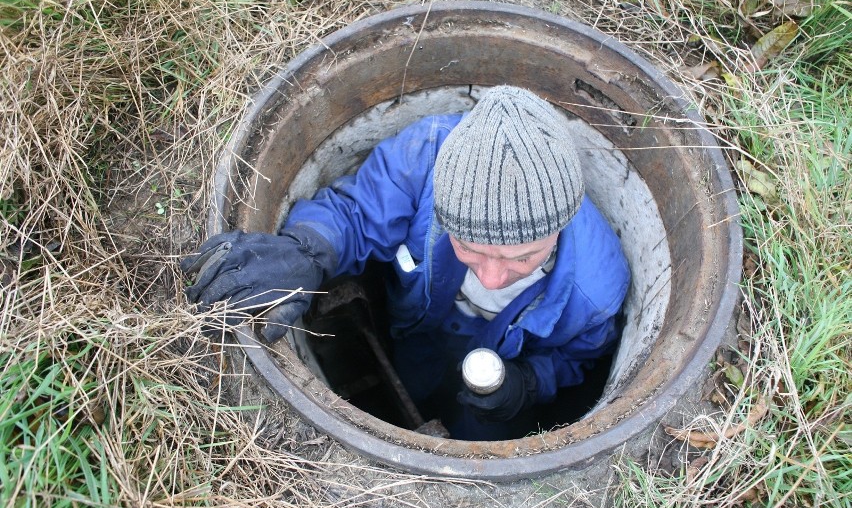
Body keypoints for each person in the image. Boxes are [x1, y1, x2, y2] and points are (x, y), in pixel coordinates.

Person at [181, 85, 630, 440]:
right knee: (414, 385)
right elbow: (356, 214)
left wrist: (529, 384)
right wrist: (306, 251)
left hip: (500, 381)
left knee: (483, 438)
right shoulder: (425, 160)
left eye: (523, 257)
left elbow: (579, 359)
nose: (492, 280)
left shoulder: (597, 287)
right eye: (470, 247)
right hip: (420, 337)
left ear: (564, 223)